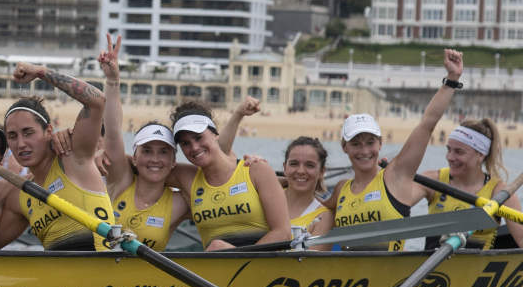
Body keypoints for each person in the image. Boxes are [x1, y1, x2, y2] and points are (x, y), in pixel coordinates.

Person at [312, 48, 466, 249]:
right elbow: (308, 205)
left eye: (370, 142)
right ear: (344, 147)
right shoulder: (341, 189)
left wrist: (452, 79)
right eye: (356, 144)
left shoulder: (395, 176)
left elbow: (427, 124)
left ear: (380, 144)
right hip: (350, 279)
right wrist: (281, 181)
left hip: (391, 278)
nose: (364, 151)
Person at [0, 59, 114, 250]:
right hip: (61, 276)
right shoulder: (22, 195)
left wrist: (40, 72)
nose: (21, 143)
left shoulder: (72, 157)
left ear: (49, 131)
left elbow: (97, 101)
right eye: (12, 136)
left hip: (104, 269)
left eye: (28, 132)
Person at [95, 39, 189, 251]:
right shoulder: (120, 181)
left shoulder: (180, 202)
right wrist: (112, 81)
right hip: (101, 276)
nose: (155, 159)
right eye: (147, 151)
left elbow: (221, 179)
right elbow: (112, 132)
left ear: (173, 161)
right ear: (135, 158)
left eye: (163, 152)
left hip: (145, 284)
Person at [169, 100, 291, 249]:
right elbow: (143, 165)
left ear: (215, 134)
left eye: (198, 137)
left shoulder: (256, 169)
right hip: (217, 267)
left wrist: (236, 256)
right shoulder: (187, 177)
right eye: (185, 144)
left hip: (263, 265)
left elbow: (283, 233)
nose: (194, 147)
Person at [415, 117, 523, 249]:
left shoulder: (499, 193)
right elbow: (399, 198)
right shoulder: (433, 181)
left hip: (480, 267)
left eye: (459, 152)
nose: (450, 157)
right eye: (449, 150)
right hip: (433, 267)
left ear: (480, 155)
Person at [217, 97, 331, 237]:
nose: (301, 171)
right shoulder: (263, 192)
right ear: (284, 167)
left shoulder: (323, 217)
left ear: (322, 172)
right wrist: (238, 114)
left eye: (310, 165)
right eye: (294, 164)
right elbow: (218, 156)